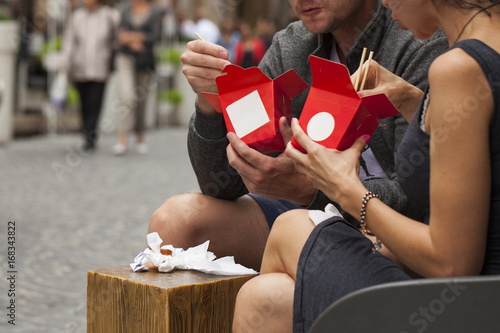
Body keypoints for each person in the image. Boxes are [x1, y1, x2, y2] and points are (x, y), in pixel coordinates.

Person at [232, 0, 500, 331]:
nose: (384, 2)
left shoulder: (458, 68)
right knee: (263, 297)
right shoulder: (486, 48)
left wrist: (346, 189)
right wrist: (411, 101)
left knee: (291, 228)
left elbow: (451, 264)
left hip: (470, 308)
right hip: (476, 291)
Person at [149, 0, 448, 271]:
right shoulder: (291, 45)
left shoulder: (417, 38)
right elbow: (220, 185)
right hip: (305, 212)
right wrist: (211, 100)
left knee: (279, 278)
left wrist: (311, 189)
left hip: (390, 228)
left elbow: (420, 202)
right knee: (176, 220)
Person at [58, 0, 120, 151]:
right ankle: (86, 132)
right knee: (84, 103)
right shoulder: (76, 17)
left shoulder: (109, 15)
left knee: (95, 102)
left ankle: (90, 135)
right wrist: (63, 63)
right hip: (80, 68)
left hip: (100, 68)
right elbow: (68, 42)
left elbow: (115, 41)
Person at [112, 0, 161, 155]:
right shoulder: (124, 9)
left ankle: (140, 136)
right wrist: (133, 41)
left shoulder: (154, 12)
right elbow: (119, 33)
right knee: (126, 97)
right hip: (125, 58)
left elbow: (155, 35)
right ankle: (122, 138)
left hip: (145, 61)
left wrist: (133, 37)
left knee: (141, 100)